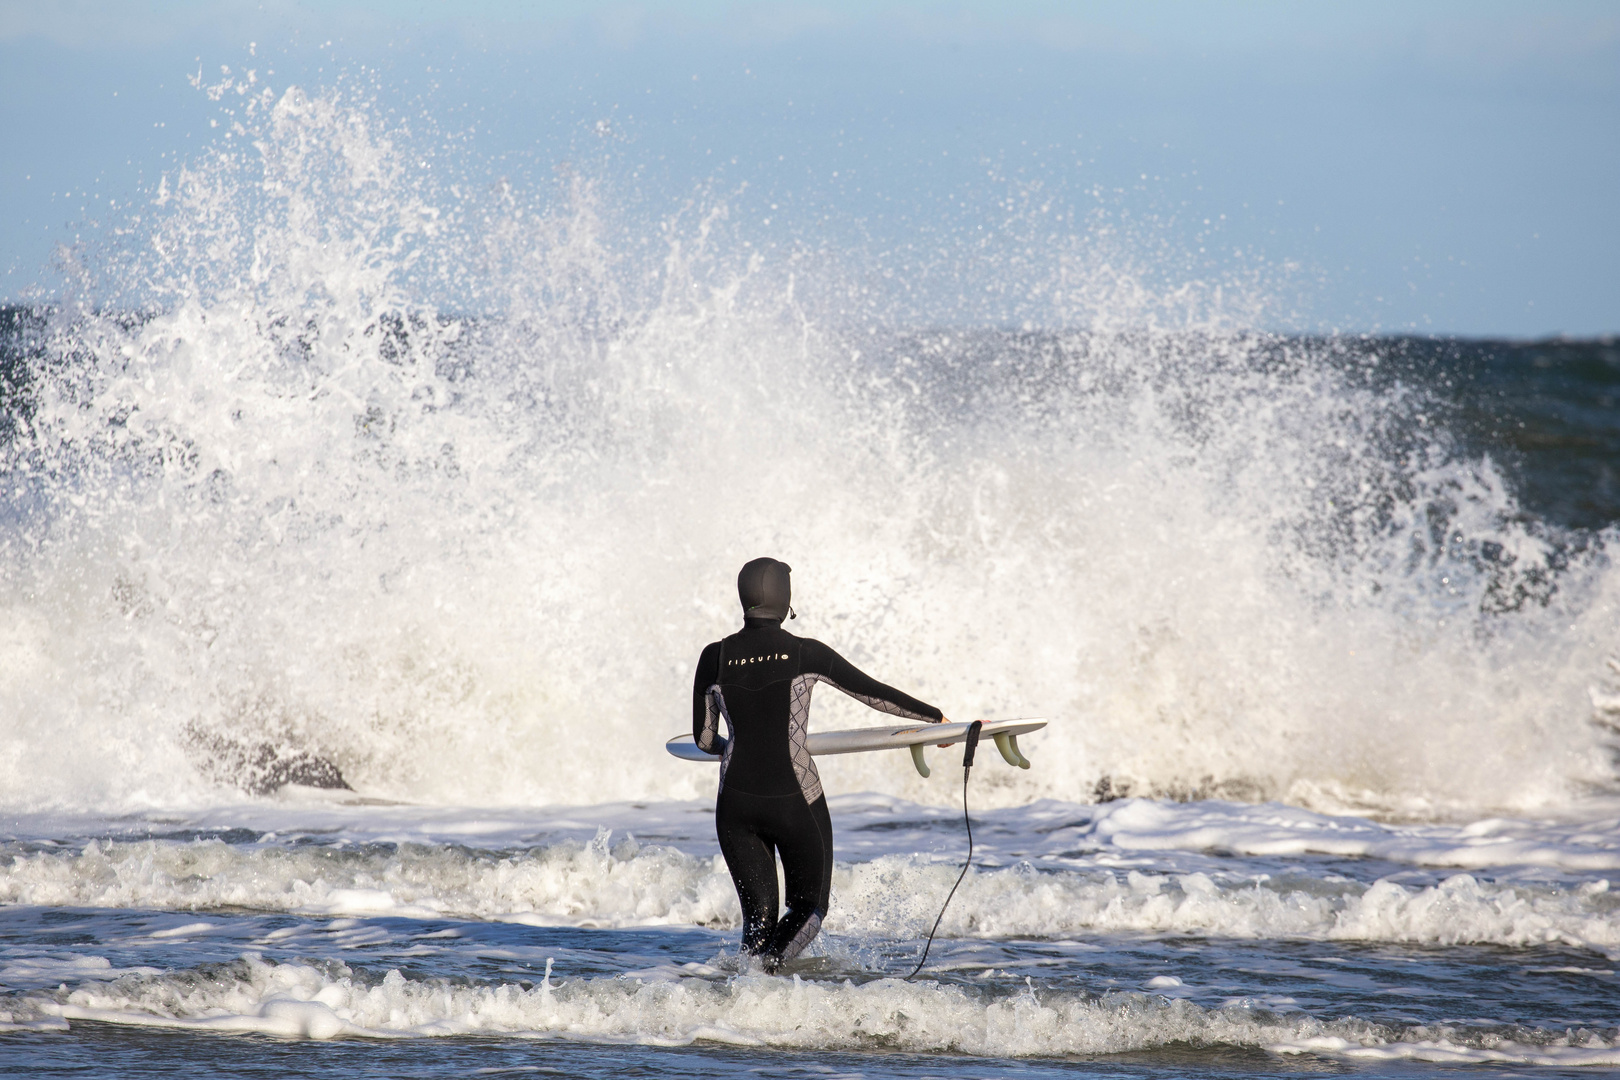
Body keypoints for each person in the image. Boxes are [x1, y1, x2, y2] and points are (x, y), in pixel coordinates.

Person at [692, 557, 948, 972]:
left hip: (734, 804)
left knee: (758, 922)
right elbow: (874, 694)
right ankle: (766, 978)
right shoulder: (803, 651)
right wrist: (937, 719)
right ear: (784, 599)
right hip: (793, 798)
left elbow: (705, 740)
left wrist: (739, 746)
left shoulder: (714, 656)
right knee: (808, 908)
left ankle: (743, 999)